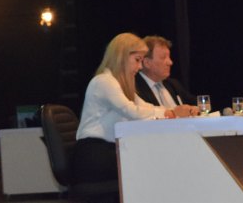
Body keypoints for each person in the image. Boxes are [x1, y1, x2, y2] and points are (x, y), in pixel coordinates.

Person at [74, 33, 197, 183]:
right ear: (122, 57)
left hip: (109, 150)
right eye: (137, 60)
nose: (140, 67)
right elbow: (132, 111)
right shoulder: (104, 81)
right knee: (152, 164)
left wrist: (168, 112)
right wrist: (171, 113)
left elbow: (145, 107)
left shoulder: (119, 84)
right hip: (94, 154)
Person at [135, 35, 196, 108]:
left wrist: (195, 108)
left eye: (169, 57)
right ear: (147, 63)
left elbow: (196, 103)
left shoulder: (173, 85)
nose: (170, 62)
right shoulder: (134, 89)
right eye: (163, 57)